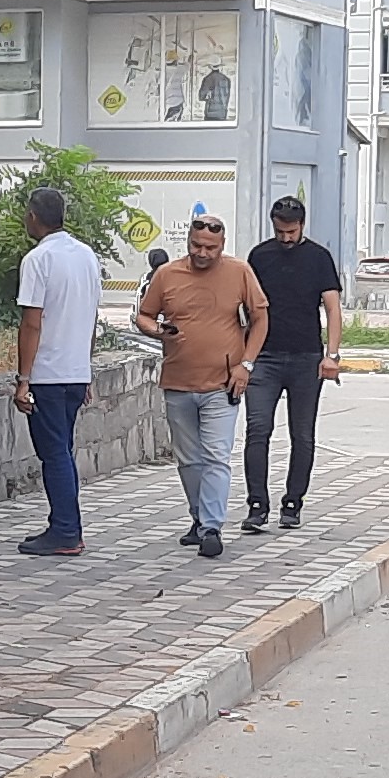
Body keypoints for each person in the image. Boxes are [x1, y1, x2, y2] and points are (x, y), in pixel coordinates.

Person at [131, 213, 268, 558]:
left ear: (222, 246)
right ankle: (199, 517)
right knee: (190, 460)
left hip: (223, 385)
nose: (203, 253)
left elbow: (261, 318)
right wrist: (157, 330)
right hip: (178, 382)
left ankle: (211, 527)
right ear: (187, 242)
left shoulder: (239, 272)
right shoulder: (167, 275)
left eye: (211, 247)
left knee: (216, 457)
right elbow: (143, 315)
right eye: (196, 245)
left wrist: (246, 365)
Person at [238, 194, 345, 535]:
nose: (286, 238)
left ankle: (292, 503)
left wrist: (332, 355)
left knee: (302, 434)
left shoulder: (318, 258)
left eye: (292, 231)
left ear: (302, 226)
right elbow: (245, 307)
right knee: (258, 431)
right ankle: (257, 505)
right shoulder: (259, 256)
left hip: (306, 358)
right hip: (264, 358)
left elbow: (332, 308)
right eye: (280, 231)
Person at [8, 184, 102, 558]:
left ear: (32, 216)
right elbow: (91, 317)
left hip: (47, 373)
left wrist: (23, 379)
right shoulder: (86, 256)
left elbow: (32, 322)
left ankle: (66, 529)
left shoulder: (38, 259)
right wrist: (87, 368)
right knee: (64, 449)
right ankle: (62, 521)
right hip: (76, 371)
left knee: (54, 454)